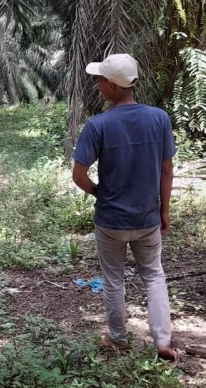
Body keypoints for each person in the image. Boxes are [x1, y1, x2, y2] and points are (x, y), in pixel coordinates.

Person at [71, 54, 180, 361]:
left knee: (114, 279)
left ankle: (119, 339)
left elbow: (79, 175)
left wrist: (98, 193)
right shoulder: (159, 119)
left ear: (114, 87)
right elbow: (167, 170)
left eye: (101, 79)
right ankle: (162, 342)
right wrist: (164, 211)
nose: (98, 83)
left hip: (111, 221)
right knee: (154, 276)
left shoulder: (97, 125)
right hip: (147, 218)